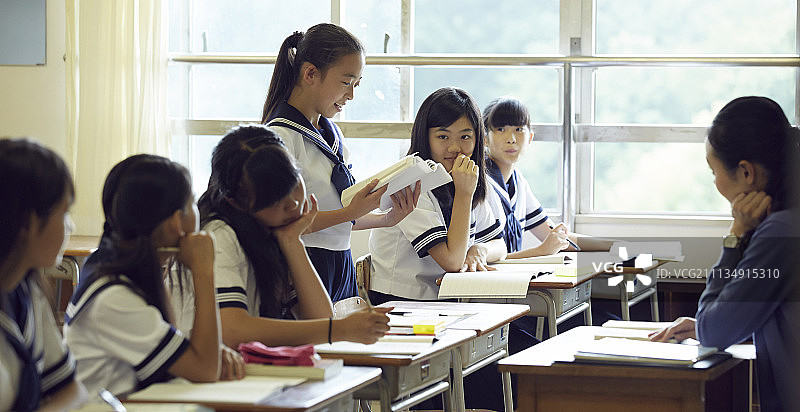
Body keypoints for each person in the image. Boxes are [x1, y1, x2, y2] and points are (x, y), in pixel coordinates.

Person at [650, 96, 800, 411]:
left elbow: (714, 331)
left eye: (713, 171)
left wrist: (736, 237)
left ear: (746, 172)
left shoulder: (779, 232)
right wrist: (709, 323)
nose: (715, 182)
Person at [261, 23, 418, 302]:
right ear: (310, 73)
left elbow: (340, 216)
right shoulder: (280, 137)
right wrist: (349, 213)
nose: (351, 95)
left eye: (357, 85)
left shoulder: (334, 135)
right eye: (346, 82)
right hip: (304, 264)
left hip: (341, 261)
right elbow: (283, 223)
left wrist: (387, 219)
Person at [198, 125, 391, 348]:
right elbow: (233, 331)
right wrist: (339, 329)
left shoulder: (275, 230)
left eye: (294, 184)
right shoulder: (219, 235)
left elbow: (319, 318)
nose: (293, 203)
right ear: (236, 203)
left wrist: (293, 243)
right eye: (274, 200)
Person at [64, 155, 232, 400]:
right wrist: (204, 272)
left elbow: (194, 360)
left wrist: (204, 352)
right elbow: (205, 370)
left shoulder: (121, 267)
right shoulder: (114, 296)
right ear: (176, 221)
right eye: (193, 203)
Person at [368, 87, 506, 301]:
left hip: (446, 298)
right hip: (402, 301)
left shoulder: (466, 177)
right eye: (443, 136)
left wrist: (480, 249)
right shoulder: (410, 183)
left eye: (465, 136)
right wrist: (463, 195)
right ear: (425, 137)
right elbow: (452, 262)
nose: (454, 147)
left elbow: (500, 245)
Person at [0, 138, 87, 411]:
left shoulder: (25, 290)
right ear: (29, 221)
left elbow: (72, 389)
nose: (70, 226)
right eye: (64, 213)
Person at [482, 96, 615, 256]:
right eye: (501, 129)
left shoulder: (518, 181)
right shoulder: (479, 183)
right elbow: (481, 259)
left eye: (519, 129)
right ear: (485, 139)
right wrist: (541, 251)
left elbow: (559, 238)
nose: (511, 139)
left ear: (530, 137)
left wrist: (618, 245)